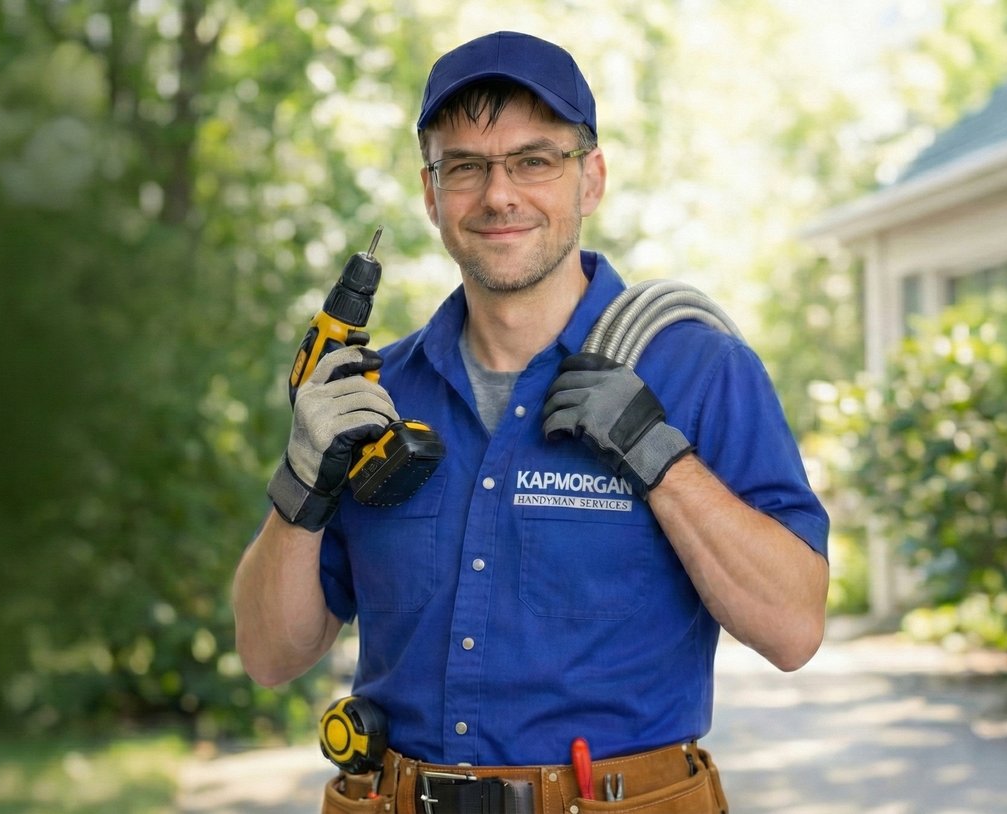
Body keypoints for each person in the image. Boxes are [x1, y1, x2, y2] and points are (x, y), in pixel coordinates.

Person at [232, 30, 829, 814]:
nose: (499, 194)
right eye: (466, 167)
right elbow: (270, 655)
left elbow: (793, 629)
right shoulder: (376, 398)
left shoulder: (698, 371)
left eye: (534, 160)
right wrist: (300, 484)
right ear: (431, 193)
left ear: (592, 178)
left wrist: (661, 458)